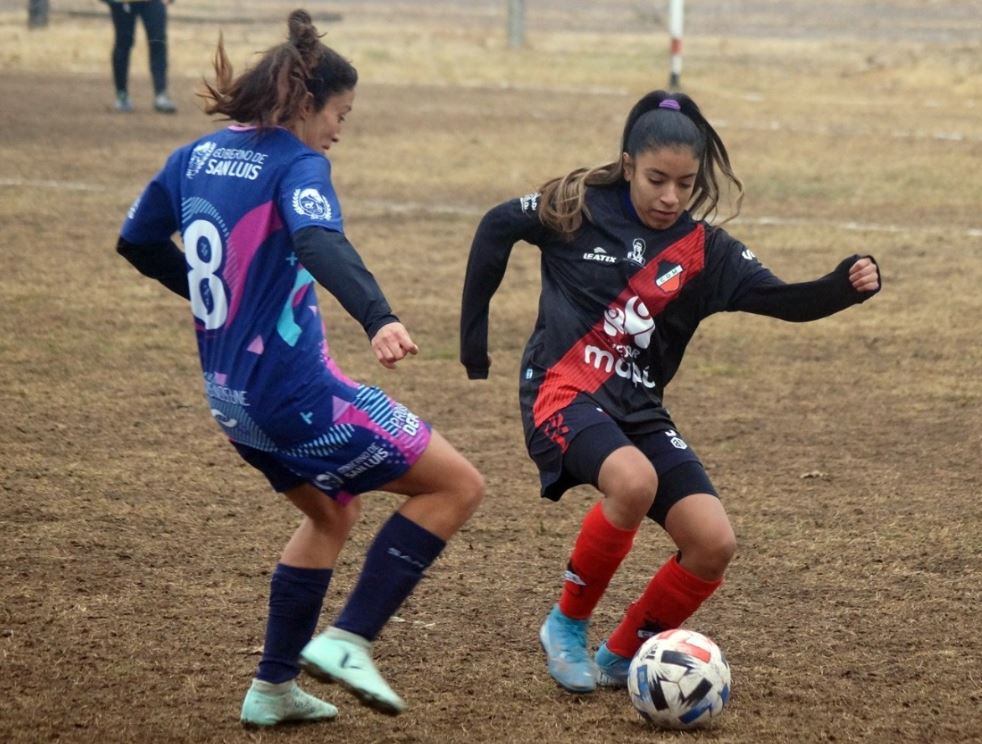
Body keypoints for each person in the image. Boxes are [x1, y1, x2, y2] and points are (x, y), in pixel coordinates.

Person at [116, 9, 484, 727]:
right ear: (305, 103)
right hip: (296, 397)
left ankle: (273, 688)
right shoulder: (297, 161)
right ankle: (348, 640)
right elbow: (317, 239)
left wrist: (214, 303)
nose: (340, 130)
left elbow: (137, 241)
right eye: (340, 114)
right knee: (456, 486)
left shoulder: (192, 156)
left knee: (330, 513)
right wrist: (379, 316)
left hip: (232, 403)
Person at [460, 90, 880, 694]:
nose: (670, 197)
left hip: (639, 407)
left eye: (685, 184)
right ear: (629, 164)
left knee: (713, 543)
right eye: (657, 179)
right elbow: (498, 225)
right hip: (561, 388)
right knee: (634, 481)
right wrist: (474, 341)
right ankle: (566, 626)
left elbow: (784, 300)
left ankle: (620, 657)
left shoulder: (704, 251)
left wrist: (843, 285)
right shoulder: (577, 208)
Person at [102, 0, 177, 113]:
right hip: (123, 2)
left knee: (158, 41)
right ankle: (122, 95)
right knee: (123, 43)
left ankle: (161, 94)